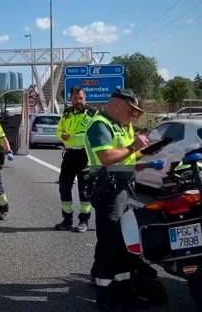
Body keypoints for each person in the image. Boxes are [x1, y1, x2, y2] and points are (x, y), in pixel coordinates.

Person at [83, 89, 166, 311]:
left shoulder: (121, 126)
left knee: (123, 243)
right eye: (131, 111)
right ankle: (106, 298)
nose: (134, 117)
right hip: (109, 191)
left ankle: (123, 294)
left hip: (122, 189)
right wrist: (133, 147)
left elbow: (127, 161)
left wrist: (148, 160)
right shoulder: (100, 124)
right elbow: (107, 158)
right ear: (117, 105)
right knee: (110, 244)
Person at [54, 87, 97, 233]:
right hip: (69, 155)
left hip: (85, 155)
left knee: (84, 190)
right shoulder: (66, 113)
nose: (77, 101)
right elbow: (58, 131)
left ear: (85, 98)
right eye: (75, 98)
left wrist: (71, 137)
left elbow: (92, 135)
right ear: (71, 99)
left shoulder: (92, 114)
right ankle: (67, 220)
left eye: (80, 98)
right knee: (64, 187)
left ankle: (84, 221)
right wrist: (62, 136)